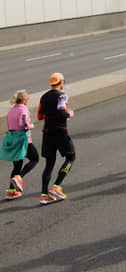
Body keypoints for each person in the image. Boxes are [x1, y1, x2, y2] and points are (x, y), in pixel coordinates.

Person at [37, 73, 75, 204]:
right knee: (70, 158)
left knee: (49, 163)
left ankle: (43, 194)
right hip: (60, 131)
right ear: (61, 82)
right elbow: (62, 112)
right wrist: (69, 113)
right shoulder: (62, 96)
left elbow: (40, 116)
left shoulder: (44, 96)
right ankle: (57, 186)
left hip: (47, 132)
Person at [1, 91, 39, 200]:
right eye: (27, 98)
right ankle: (19, 177)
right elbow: (23, 123)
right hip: (23, 139)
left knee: (17, 165)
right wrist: (30, 125)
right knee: (35, 158)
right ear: (23, 100)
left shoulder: (11, 110)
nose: (28, 100)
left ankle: (11, 191)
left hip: (12, 138)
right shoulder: (23, 109)